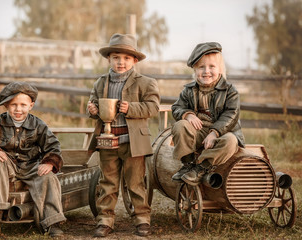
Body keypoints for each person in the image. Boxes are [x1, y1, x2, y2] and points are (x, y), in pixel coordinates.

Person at [87, 33, 160, 237]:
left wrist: (132, 108)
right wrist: (91, 110)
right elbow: (92, 104)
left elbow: (153, 107)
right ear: (109, 59)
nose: (121, 62)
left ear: (134, 60)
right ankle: (105, 220)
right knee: (107, 183)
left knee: (135, 183)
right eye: (116, 57)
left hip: (133, 142)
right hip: (107, 141)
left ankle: (142, 220)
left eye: (126, 58)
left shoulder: (145, 82)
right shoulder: (100, 83)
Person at [0, 82, 66, 237]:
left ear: (31, 105)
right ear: (6, 106)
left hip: (31, 165)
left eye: (23, 105)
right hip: (6, 164)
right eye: (13, 105)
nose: (18, 109)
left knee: (49, 178)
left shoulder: (38, 125)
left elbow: (53, 146)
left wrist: (49, 162)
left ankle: (52, 221)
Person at [171, 42, 245, 186]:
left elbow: (231, 114)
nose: (206, 71)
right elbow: (177, 107)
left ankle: (202, 167)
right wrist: (188, 115)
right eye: (201, 67)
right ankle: (188, 164)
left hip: (222, 133)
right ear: (194, 70)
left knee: (231, 141)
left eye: (212, 67)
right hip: (198, 132)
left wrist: (215, 133)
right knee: (180, 126)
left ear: (220, 69)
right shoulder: (189, 90)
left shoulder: (230, 91)